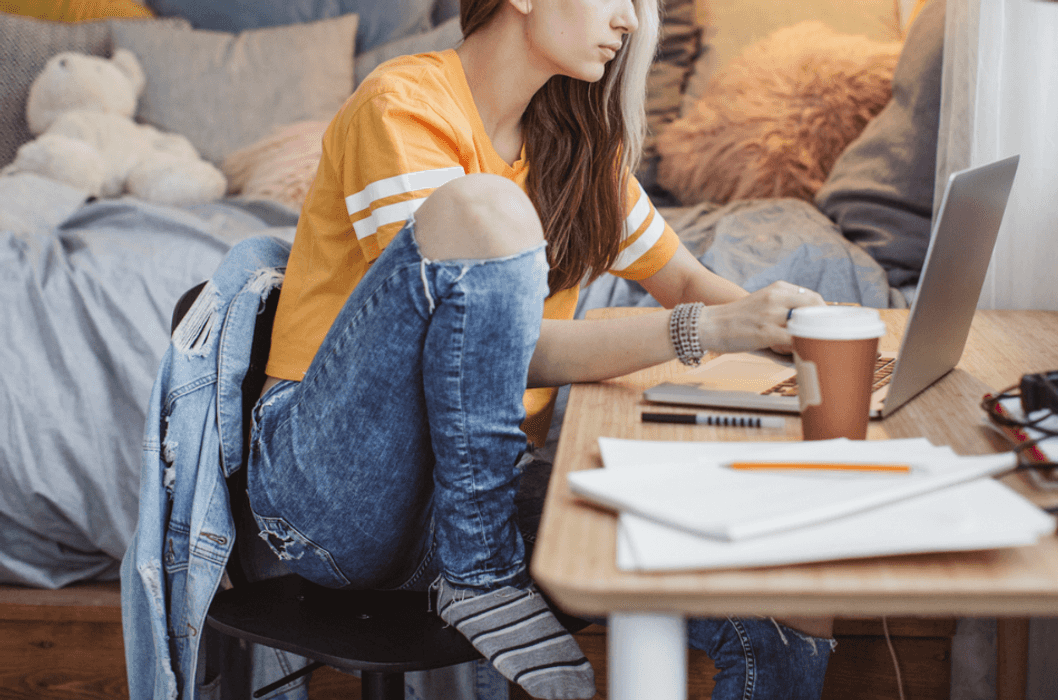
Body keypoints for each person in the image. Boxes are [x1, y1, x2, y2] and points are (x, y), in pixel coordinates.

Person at [249, 0, 835, 698]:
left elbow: (680, 279)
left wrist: (789, 330)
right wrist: (705, 332)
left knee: (788, 581)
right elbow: (473, 350)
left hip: (478, 487)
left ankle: (479, 563)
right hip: (333, 492)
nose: (629, 22)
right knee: (484, 207)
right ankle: (479, 574)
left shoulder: (575, 145)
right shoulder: (400, 105)